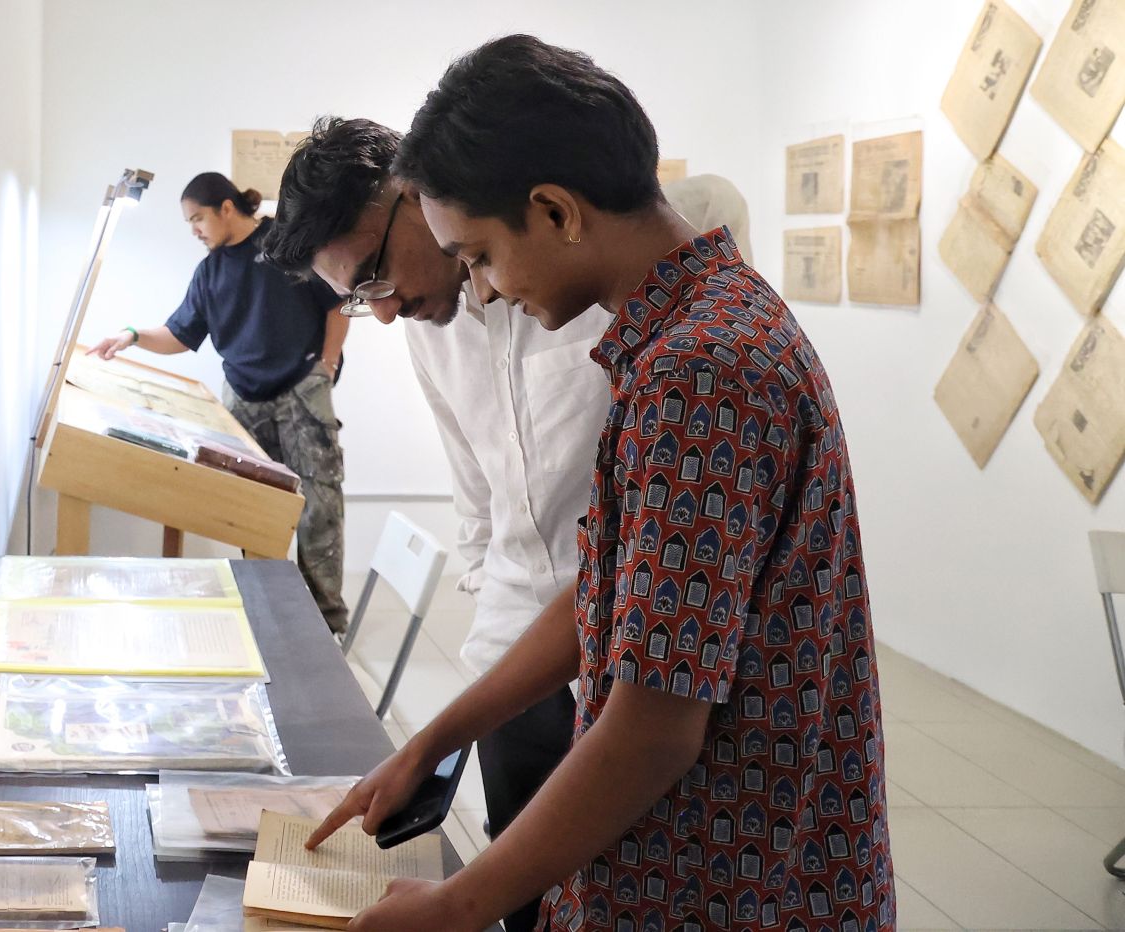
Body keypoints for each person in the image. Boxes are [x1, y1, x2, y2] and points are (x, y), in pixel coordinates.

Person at [307, 35, 895, 932]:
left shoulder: (697, 375)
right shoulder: (697, 332)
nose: (487, 293)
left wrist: (461, 904)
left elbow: (653, 730)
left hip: (719, 881)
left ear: (555, 211)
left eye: (478, 258)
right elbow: (612, 592)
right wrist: (434, 740)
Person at [264, 118, 754, 932]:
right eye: (356, 298)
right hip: (531, 653)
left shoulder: (678, 347)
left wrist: (459, 903)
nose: (381, 314)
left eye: (378, 276)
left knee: (626, 884)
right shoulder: (439, 323)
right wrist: (442, 733)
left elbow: (657, 714)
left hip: (652, 670)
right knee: (539, 901)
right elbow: (496, 510)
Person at [87, 172, 350, 633]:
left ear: (227, 208)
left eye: (198, 219)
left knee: (320, 506)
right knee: (252, 507)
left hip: (302, 389)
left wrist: (324, 367)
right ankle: (274, 614)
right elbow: (178, 335)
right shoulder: (210, 272)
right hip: (244, 397)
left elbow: (336, 301)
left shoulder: (286, 241)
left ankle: (326, 623)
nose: (195, 231)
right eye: (190, 223)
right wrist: (129, 336)